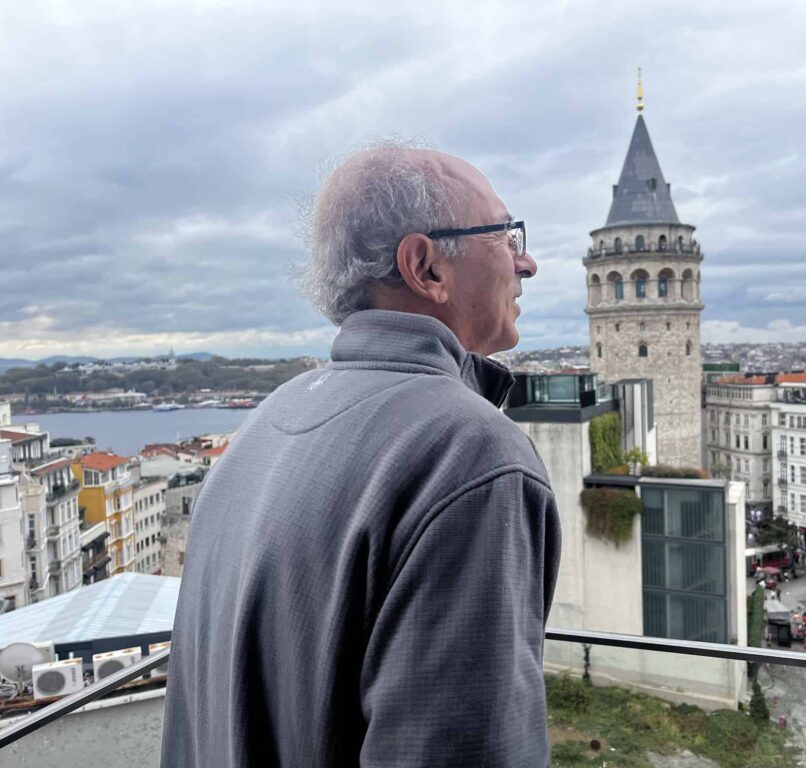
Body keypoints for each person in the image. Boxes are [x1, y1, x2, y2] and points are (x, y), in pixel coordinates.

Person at [161, 143, 561, 767]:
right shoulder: (470, 454)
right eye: (506, 237)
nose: (527, 262)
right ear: (426, 266)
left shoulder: (267, 424)